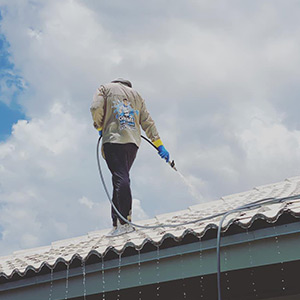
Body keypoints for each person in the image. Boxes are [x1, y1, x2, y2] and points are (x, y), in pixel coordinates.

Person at [90, 78, 170, 236]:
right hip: (132, 143)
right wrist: (159, 144)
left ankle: (125, 221)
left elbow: (95, 107)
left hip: (113, 138)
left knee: (121, 177)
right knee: (119, 177)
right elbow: (147, 121)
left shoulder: (105, 88)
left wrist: (99, 126)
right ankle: (116, 222)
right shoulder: (137, 95)